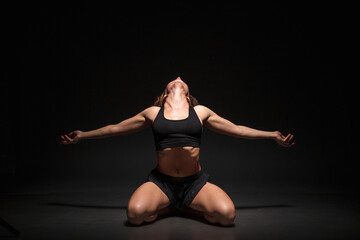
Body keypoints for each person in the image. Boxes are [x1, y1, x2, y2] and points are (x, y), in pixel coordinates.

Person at [60, 77, 294, 226]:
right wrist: (83, 135)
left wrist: (272, 135)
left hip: (195, 183)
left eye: (183, 81)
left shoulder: (201, 112)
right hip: (162, 182)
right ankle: (172, 207)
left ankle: (185, 208)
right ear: (164, 95)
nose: (179, 79)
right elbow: (114, 129)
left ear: (188, 95)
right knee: (135, 216)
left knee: (227, 216)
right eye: (173, 81)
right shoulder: (152, 113)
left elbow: (238, 130)